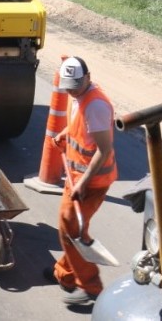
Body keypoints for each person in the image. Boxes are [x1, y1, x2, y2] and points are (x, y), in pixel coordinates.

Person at [45, 56, 117, 306]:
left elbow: (103, 150)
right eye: (68, 85)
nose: (71, 90)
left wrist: (83, 183)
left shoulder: (96, 106)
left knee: (69, 230)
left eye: (75, 85)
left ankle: (91, 288)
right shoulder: (79, 96)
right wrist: (66, 134)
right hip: (76, 176)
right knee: (72, 229)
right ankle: (64, 274)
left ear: (88, 77)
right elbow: (81, 128)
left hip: (91, 182)